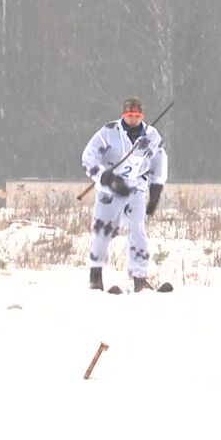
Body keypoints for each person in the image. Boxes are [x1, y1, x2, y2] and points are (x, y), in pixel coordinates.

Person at [81, 96, 168, 293]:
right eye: (130, 116)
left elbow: (159, 160)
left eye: (137, 116)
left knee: (137, 230)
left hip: (135, 188)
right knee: (103, 231)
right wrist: (105, 177)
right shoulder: (108, 132)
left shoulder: (151, 135)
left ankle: (140, 278)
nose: (133, 120)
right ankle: (96, 276)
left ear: (141, 116)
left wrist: (156, 188)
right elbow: (89, 155)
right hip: (109, 192)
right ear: (124, 115)